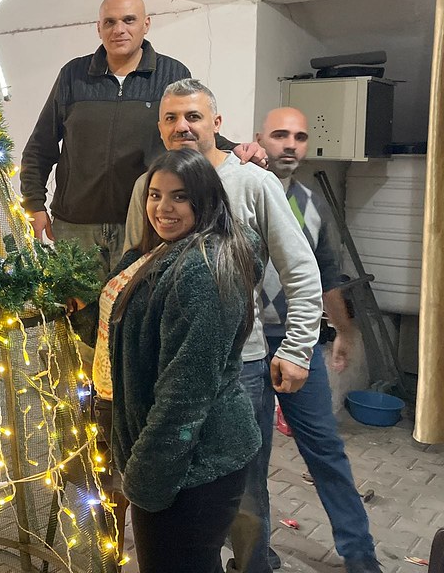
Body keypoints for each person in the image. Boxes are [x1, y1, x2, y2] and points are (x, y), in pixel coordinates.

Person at [123, 79, 324, 571]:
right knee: (186, 500)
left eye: (193, 116)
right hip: (167, 364)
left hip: (243, 364)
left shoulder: (254, 181)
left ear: (216, 123)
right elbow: (135, 264)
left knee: (243, 494)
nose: (182, 126)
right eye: (171, 118)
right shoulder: (150, 183)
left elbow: (300, 268)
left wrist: (298, 348)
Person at [20, 0, 261, 276]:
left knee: (133, 313)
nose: (119, 29)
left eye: (128, 20)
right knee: (75, 316)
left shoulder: (171, 73)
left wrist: (234, 149)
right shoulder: (73, 75)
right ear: (98, 28)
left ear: (146, 24)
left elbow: (190, 130)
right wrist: (34, 204)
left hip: (145, 223)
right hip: (76, 227)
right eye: (109, 22)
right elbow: (40, 147)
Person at [108, 148, 262, 573]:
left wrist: (146, 477)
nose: (163, 208)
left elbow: (186, 392)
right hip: (174, 459)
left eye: (179, 197)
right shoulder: (158, 251)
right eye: (155, 195)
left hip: (193, 463)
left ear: (205, 200)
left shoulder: (202, 271)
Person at [248, 107, 380, 573]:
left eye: (299, 137)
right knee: (251, 458)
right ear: (258, 138)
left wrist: (343, 330)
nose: (290, 144)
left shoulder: (312, 204)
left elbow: (326, 277)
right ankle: (253, 557)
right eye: (280, 134)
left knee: (325, 448)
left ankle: (361, 557)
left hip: (296, 343)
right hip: (245, 350)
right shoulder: (237, 190)